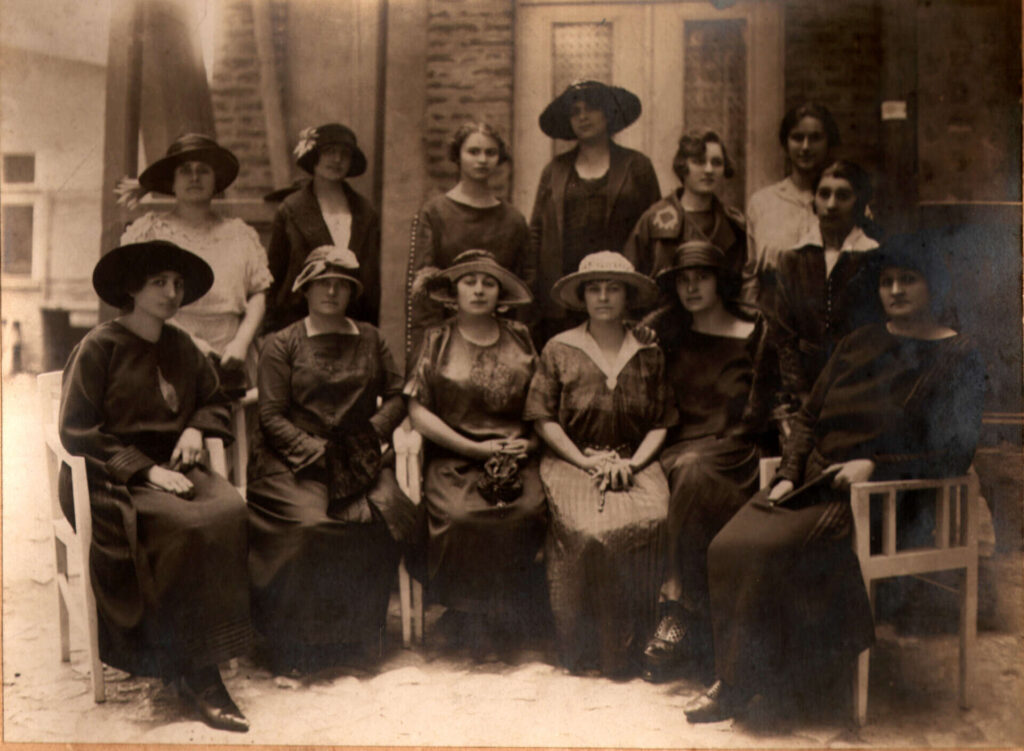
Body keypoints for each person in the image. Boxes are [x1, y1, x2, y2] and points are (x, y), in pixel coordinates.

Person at [685, 234, 986, 723]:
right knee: (726, 546)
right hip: (812, 480)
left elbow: (955, 453)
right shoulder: (859, 342)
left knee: (768, 551)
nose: (895, 290)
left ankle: (740, 686)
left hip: (887, 499)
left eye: (909, 280)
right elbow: (808, 415)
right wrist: (787, 474)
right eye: (887, 281)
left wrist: (875, 466)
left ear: (934, 285)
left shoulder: (958, 355)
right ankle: (753, 674)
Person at [59, 241, 251, 732]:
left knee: (229, 510)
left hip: (174, 465)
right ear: (132, 289)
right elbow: (77, 430)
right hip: (112, 475)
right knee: (185, 525)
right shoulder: (99, 347)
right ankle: (196, 671)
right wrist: (144, 471)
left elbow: (214, 399)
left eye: (178, 284)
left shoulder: (182, 345)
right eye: (159, 283)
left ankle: (209, 646)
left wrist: (195, 429)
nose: (172, 293)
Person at [247, 245, 416, 674]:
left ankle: (354, 638)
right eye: (323, 283)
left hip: (358, 456)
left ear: (352, 292)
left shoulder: (372, 338)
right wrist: (318, 453)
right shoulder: (281, 343)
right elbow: (270, 416)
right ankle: (292, 644)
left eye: (342, 284)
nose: (332, 291)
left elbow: (398, 395)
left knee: (380, 519)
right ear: (305, 289)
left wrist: (369, 436)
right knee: (310, 526)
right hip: (291, 460)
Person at [524, 251, 673, 677]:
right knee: (589, 530)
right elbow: (543, 419)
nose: (603, 297)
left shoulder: (648, 350)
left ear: (628, 296)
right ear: (582, 296)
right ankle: (587, 649)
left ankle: (639, 650)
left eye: (613, 288)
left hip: (634, 458)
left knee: (655, 519)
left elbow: (661, 422)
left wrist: (633, 464)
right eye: (594, 288)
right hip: (573, 458)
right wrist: (585, 461)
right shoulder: (560, 348)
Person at [405, 250, 547, 655]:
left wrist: (530, 443)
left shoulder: (520, 336)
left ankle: (508, 612)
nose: (479, 290)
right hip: (456, 457)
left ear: (500, 293)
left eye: (489, 282)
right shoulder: (436, 338)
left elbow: (542, 401)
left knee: (528, 511)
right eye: (469, 282)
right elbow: (417, 410)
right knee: (460, 516)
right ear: (455, 293)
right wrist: (472, 447)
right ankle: (466, 614)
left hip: (515, 456)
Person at [638, 241, 762, 683]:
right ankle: (684, 616)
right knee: (685, 469)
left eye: (702, 277)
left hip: (735, 452)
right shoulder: (670, 337)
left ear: (720, 282)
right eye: (683, 280)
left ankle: (676, 610)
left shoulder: (754, 335)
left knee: (692, 471)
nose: (691, 287)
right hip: (679, 450)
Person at [120, 133, 272, 396]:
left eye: (203, 170)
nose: (194, 178)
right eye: (185, 171)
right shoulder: (149, 232)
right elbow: (136, 299)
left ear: (216, 181)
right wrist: (189, 344)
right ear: (173, 181)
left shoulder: (240, 234)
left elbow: (258, 293)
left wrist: (241, 343)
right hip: (166, 347)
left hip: (231, 356)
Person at [529, 81, 661, 344]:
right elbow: (536, 233)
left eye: (591, 108)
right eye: (575, 111)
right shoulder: (555, 170)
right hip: (565, 300)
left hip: (619, 295)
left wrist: (644, 300)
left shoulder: (637, 166)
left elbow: (655, 234)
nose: (583, 117)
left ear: (608, 113)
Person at [405, 122, 535, 360]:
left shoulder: (514, 220)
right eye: (473, 152)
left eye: (490, 152)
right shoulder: (434, 213)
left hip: (500, 342)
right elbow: (422, 294)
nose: (482, 160)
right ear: (458, 156)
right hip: (445, 344)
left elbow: (524, 289)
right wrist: (427, 354)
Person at [769, 160, 881, 423]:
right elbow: (784, 335)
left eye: (843, 196)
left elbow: (878, 334)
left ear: (859, 202)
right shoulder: (792, 259)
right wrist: (801, 394)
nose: (831, 204)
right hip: (803, 389)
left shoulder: (875, 258)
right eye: (824, 194)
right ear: (814, 202)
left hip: (859, 388)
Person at [264, 123, 380, 332]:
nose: (337, 159)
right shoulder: (291, 209)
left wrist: (369, 330)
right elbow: (274, 276)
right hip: (298, 322)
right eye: (329, 151)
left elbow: (371, 281)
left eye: (345, 154)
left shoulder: (365, 212)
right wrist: (270, 330)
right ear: (314, 156)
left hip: (352, 322)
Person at [623, 130, 748, 290]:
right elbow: (628, 278)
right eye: (699, 161)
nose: (709, 170)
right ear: (683, 166)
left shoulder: (734, 225)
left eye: (717, 163)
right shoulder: (653, 221)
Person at [743, 102, 840, 305]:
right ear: (785, 144)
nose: (805, 147)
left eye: (815, 138)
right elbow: (751, 277)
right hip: (773, 313)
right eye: (797, 137)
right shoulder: (762, 203)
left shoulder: (845, 201)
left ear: (828, 142)